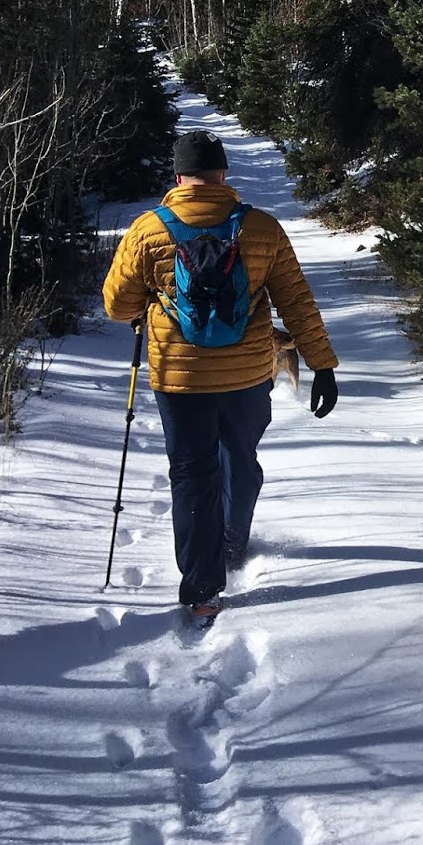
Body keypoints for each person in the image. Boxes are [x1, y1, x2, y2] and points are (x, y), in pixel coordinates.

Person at [103, 129, 339, 622]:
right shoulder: (261, 229)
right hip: (248, 376)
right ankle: (233, 543)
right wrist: (321, 366)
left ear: (178, 177)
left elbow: (115, 304)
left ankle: (203, 589)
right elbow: (296, 301)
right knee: (241, 459)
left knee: (193, 474)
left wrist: (151, 298)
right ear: (223, 174)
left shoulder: (148, 230)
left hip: (179, 378)